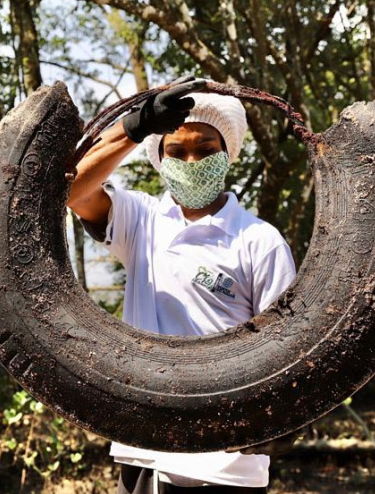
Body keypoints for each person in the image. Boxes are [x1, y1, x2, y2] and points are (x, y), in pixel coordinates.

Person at [66, 77, 298, 493]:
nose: (191, 161)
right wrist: (134, 127)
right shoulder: (142, 220)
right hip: (143, 454)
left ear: (228, 155)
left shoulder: (259, 242)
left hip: (227, 470)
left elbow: (287, 351)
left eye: (206, 150)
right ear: (160, 157)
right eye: (176, 150)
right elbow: (72, 189)